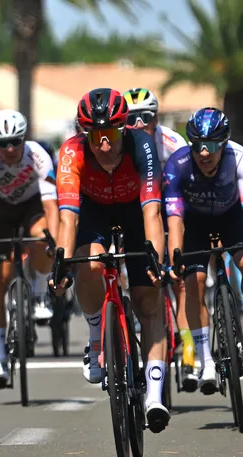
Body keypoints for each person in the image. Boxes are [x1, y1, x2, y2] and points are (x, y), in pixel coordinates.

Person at [50, 88, 170, 432]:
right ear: (84, 134)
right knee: (89, 263)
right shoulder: (71, 151)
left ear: (124, 129)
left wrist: (155, 260)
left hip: (136, 213)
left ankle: (155, 397)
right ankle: (95, 337)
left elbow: (152, 212)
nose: (104, 144)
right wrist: (61, 263)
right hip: (94, 214)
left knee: (149, 301)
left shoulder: (141, 146)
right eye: (95, 135)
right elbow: (68, 219)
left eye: (112, 134)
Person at [0, 110, 59, 388]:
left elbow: (51, 205)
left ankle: (41, 294)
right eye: (2, 144)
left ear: (24, 139)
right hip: (1, 210)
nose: (9, 149)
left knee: (42, 238)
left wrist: (54, 242)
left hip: (32, 205)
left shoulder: (38, 155)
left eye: (15, 142)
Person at [123, 88, 198, 391]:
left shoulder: (173, 143)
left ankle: (190, 349)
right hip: (142, 207)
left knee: (180, 277)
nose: (139, 123)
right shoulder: (124, 145)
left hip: (174, 204)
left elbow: (184, 193)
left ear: (156, 117)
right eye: (131, 118)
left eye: (146, 117)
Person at [165, 107, 241, 396]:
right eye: (198, 145)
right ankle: (206, 361)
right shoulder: (178, 164)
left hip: (233, 217)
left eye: (211, 146)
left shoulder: (238, 158)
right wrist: (175, 256)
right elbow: (174, 218)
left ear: (223, 144)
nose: (204, 154)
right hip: (194, 224)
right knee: (192, 283)